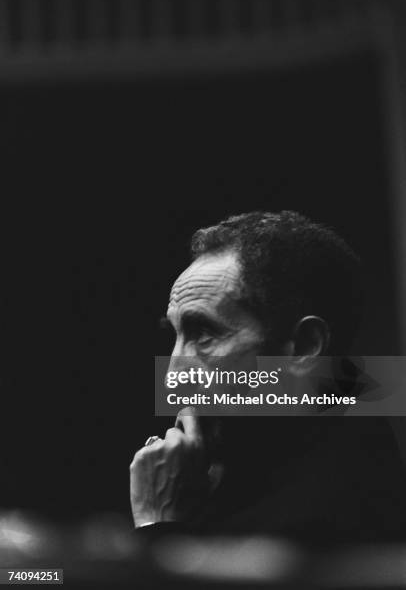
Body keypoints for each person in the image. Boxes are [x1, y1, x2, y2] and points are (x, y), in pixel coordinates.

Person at [130, 211, 406, 543]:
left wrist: (159, 522)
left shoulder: (324, 518)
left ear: (304, 347)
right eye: (174, 335)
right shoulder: (256, 468)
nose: (172, 376)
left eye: (204, 333)